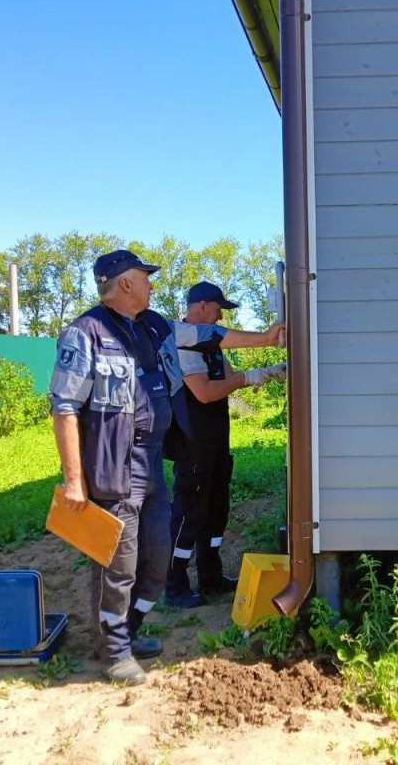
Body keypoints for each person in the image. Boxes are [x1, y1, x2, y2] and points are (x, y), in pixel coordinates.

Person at [49, 250, 284, 686]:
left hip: (152, 458)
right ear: (124, 284)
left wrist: (267, 339)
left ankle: (131, 630)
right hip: (114, 463)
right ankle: (113, 647)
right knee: (118, 562)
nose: (151, 284)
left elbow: (209, 334)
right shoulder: (86, 333)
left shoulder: (155, 325)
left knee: (155, 558)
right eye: (144, 277)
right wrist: (74, 481)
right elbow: (64, 407)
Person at [165, 281, 286, 608]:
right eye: (219, 310)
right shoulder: (184, 344)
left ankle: (211, 577)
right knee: (189, 514)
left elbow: (228, 379)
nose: (220, 317)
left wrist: (270, 373)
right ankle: (174, 584)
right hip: (193, 445)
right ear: (202, 306)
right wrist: (250, 377)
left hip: (216, 441)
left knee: (216, 511)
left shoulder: (211, 345)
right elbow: (205, 392)